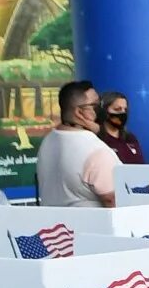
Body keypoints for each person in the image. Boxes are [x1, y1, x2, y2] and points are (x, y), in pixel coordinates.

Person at [36, 80, 116, 208]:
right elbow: (113, 199)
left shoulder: (47, 142)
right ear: (79, 112)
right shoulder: (96, 150)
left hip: (54, 223)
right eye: (96, 105)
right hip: (92, 226)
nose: (101, 109)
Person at [97, 91, 144, 164]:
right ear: (104, 112)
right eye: (117, 109)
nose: (122, 113)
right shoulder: (98, 139)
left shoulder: (130, 138)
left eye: (125, 109)